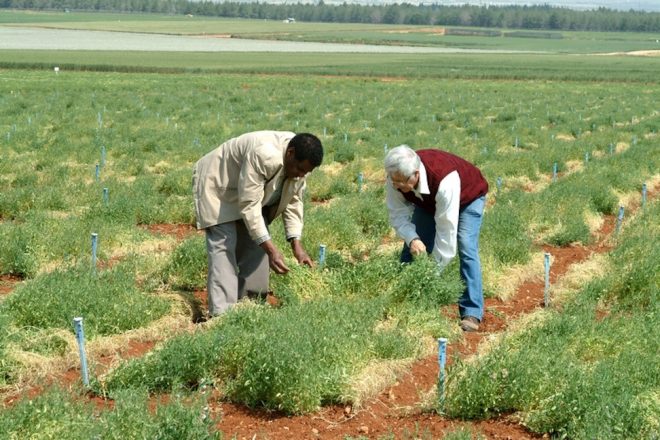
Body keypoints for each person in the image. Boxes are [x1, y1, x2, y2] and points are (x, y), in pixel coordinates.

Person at [192, 131, 323, 317]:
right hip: (218, 185)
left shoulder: (302, 164)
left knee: (256, 245)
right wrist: (271, 250)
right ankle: (222, 316)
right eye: (299, 169)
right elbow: (249, 205)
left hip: (248, 190)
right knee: (224, 244)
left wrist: (296, 244)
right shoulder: (264, 154)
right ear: (290, 153)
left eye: (306, 172)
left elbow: (293, 201)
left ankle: (251, 308)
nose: (301, 175)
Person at [384, 145, 488, 332]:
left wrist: (429, 275)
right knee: (413, 247)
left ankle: (471, 311)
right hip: (429, 201)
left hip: (468, 197)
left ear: (415, 174)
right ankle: (403, 300)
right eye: (394, 182)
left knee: (466, 245)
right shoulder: (395, 176)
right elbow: (397, 215)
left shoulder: (443, 179)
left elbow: (446, 235)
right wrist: (412, 238)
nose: (396, 186)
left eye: (400, 182)